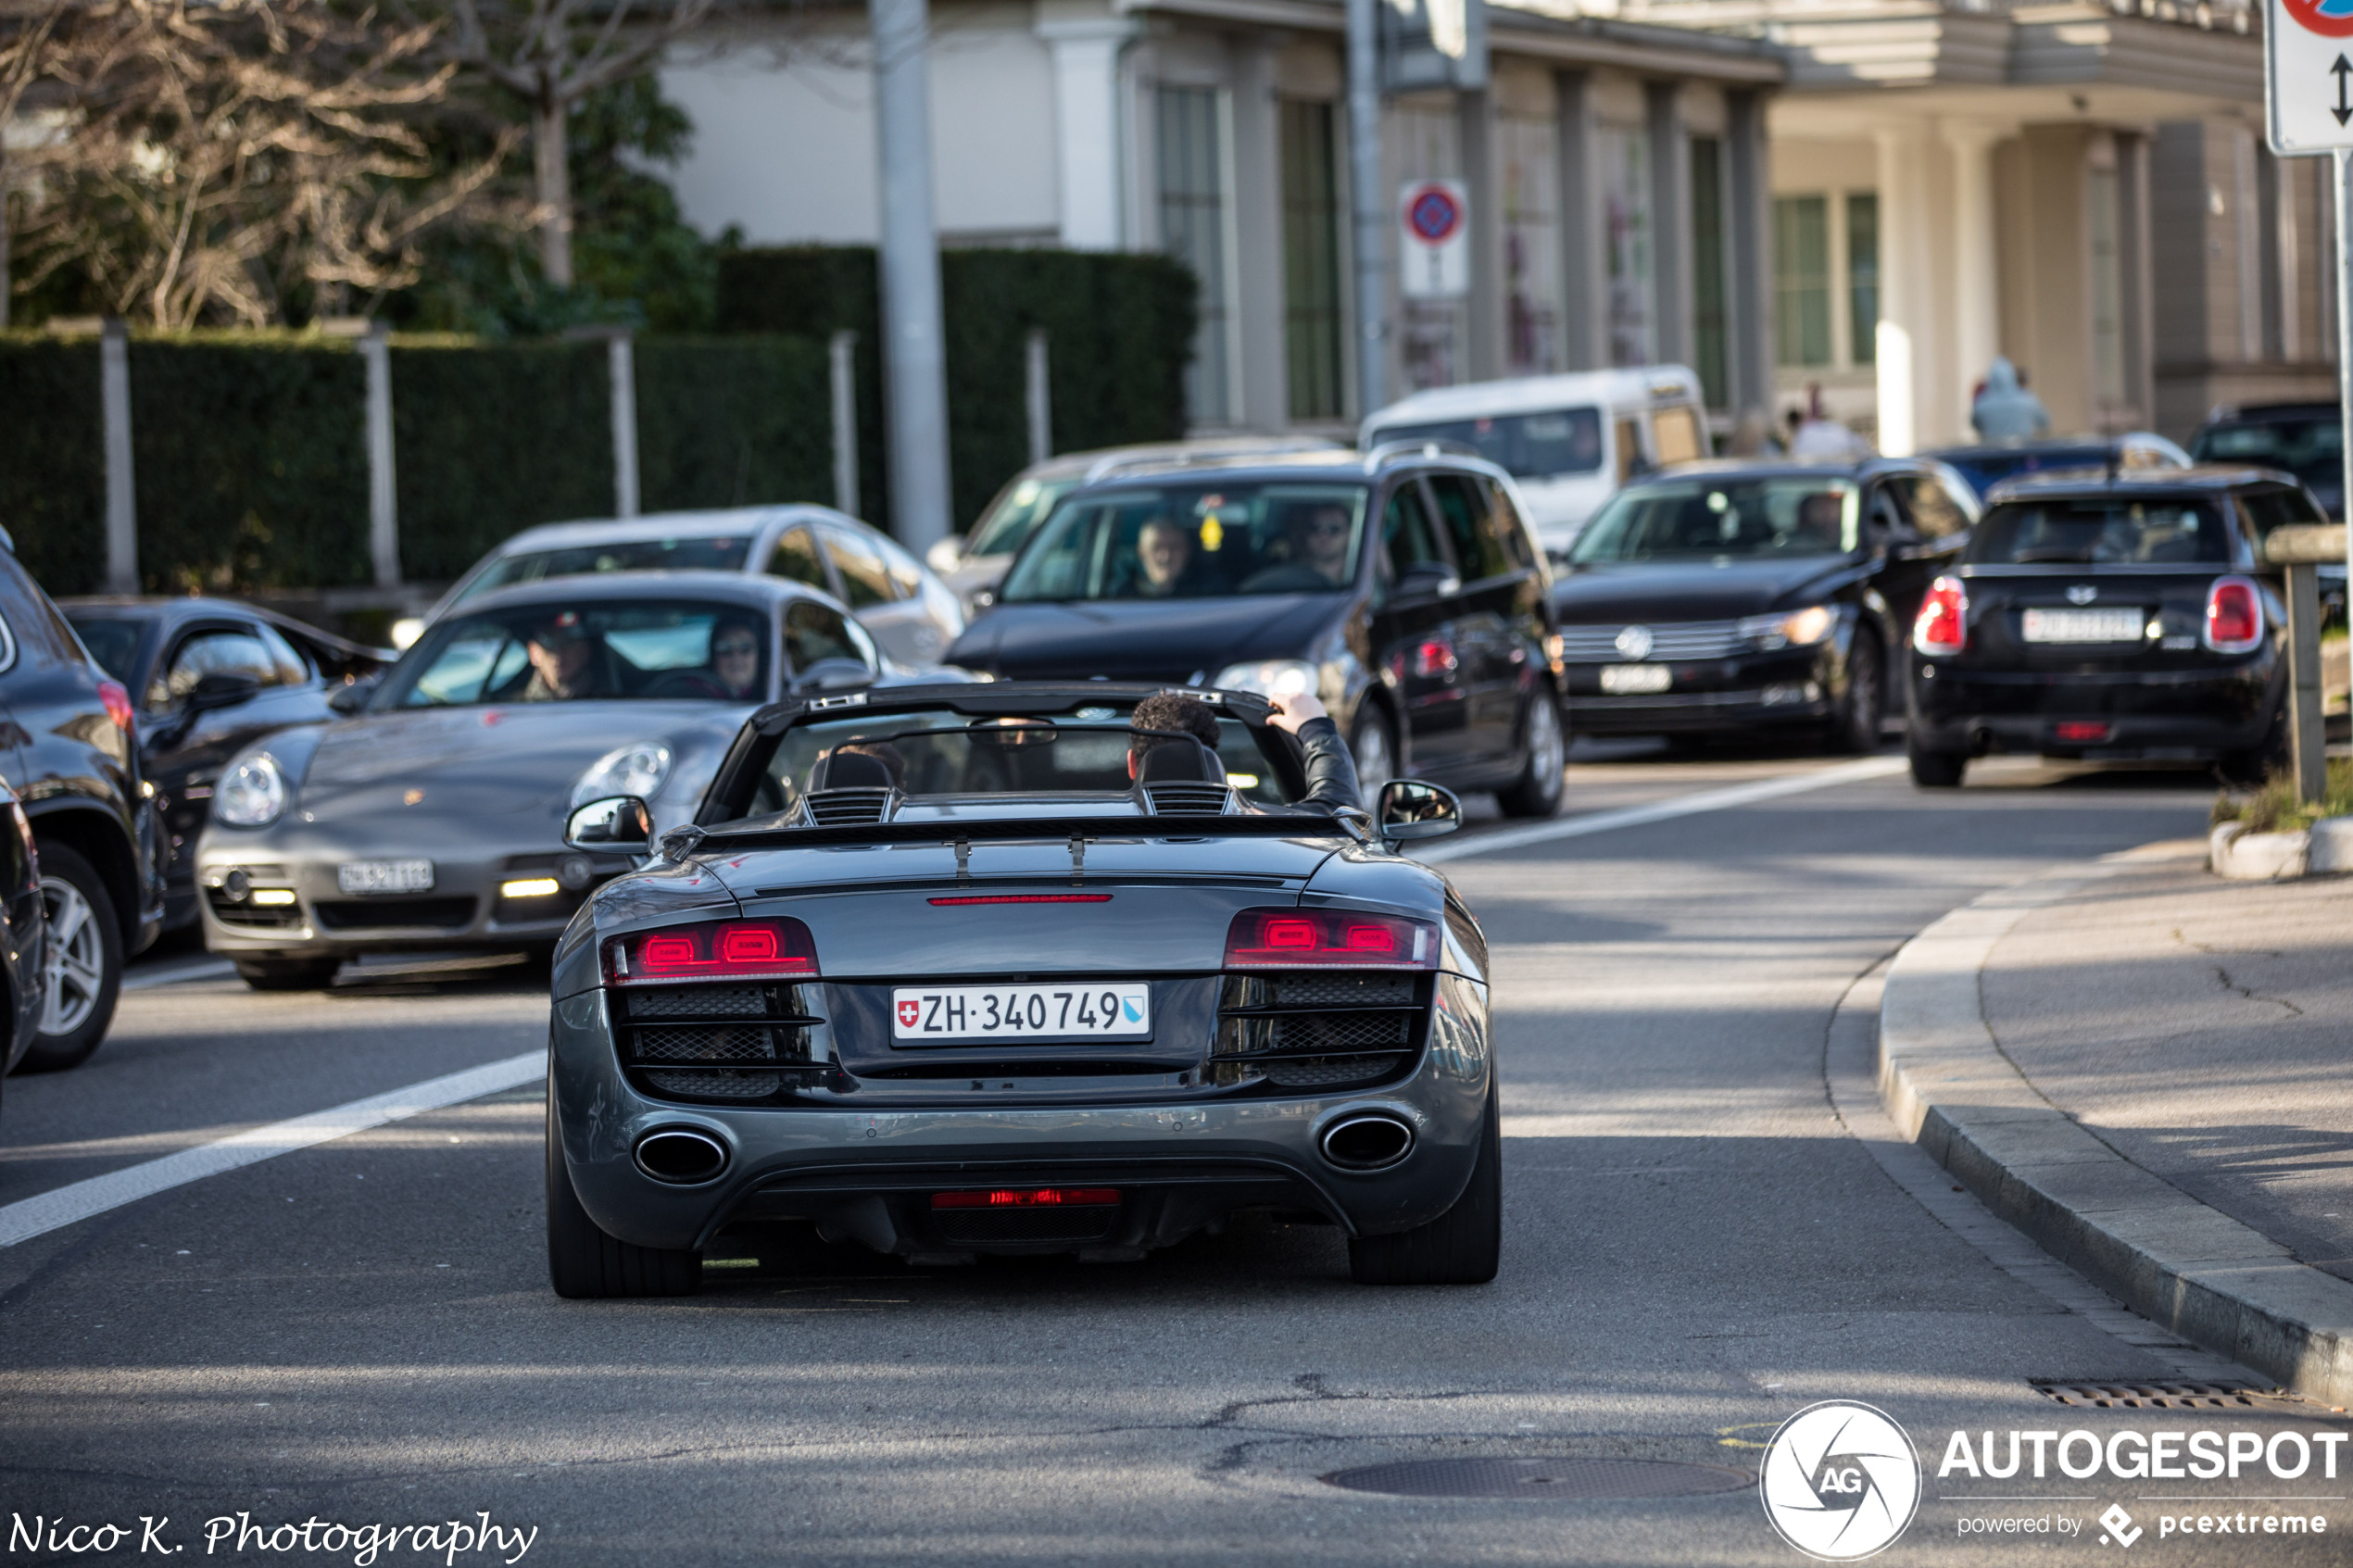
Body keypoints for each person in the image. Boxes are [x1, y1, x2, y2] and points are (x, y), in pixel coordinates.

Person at [1127, 689, 1360, 815]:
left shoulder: (1094, 833)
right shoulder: (1265, 830)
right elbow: (1338, 814)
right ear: (1212, 765)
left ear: (1132, 765)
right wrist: (1316, 727)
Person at [1240, 502, 1354, 592]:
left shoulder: (1362, 580)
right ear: (1305, 534)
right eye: (1315, 528)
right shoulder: (1282, 580)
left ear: (1350, 534)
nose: (1323, 536)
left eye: (1333, 529)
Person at [518, 611, 603, 701]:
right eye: (548, 643)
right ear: (533, 653)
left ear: (584, 651)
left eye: (567, 642)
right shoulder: (514, 706)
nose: (558, 652)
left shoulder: (605, 702)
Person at [1971, 357, 2051, 440]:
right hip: (2023, 451)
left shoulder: (1982, 406)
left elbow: (1975, 424)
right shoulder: (2028, 401)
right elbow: (2045, 422)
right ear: (2012, 377)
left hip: (1992, 452)